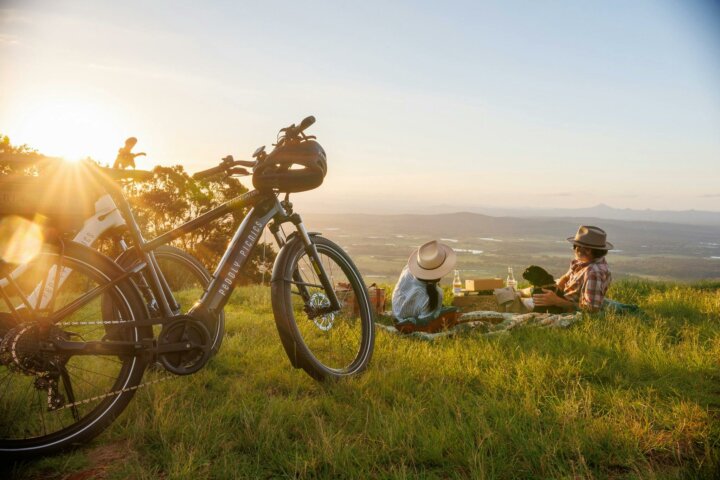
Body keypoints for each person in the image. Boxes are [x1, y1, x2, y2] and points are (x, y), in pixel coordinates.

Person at [533, 225, 613, 313]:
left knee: (520, 308)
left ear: (590, 250)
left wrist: (556, 301)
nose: (575, 249)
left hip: (564, 309)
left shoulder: (593, 273)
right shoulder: (582, 261)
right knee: (521, 297)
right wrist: (557, 287)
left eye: (577, 246)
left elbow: (591, 309)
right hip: (560, 298)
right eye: (575, 246)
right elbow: (566, 277)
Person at [392, 240, 457, 322]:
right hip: (410, 321)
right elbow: (426, 322)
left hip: (396, 312)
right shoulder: (433, 296)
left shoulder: (408, 269)